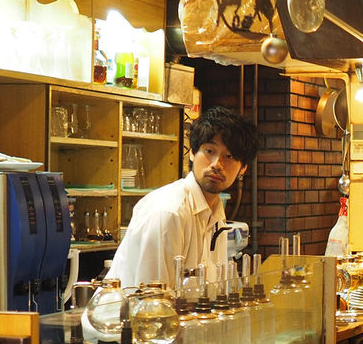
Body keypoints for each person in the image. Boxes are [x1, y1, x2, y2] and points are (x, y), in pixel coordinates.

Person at [108, 105, 257, 288]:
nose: (217, 164)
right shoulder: (170, 212)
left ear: (243, 168)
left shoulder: (216, 212)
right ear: (193, 153)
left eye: (229, 156)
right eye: (209, 151)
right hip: (130, 315)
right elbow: (152, 301)